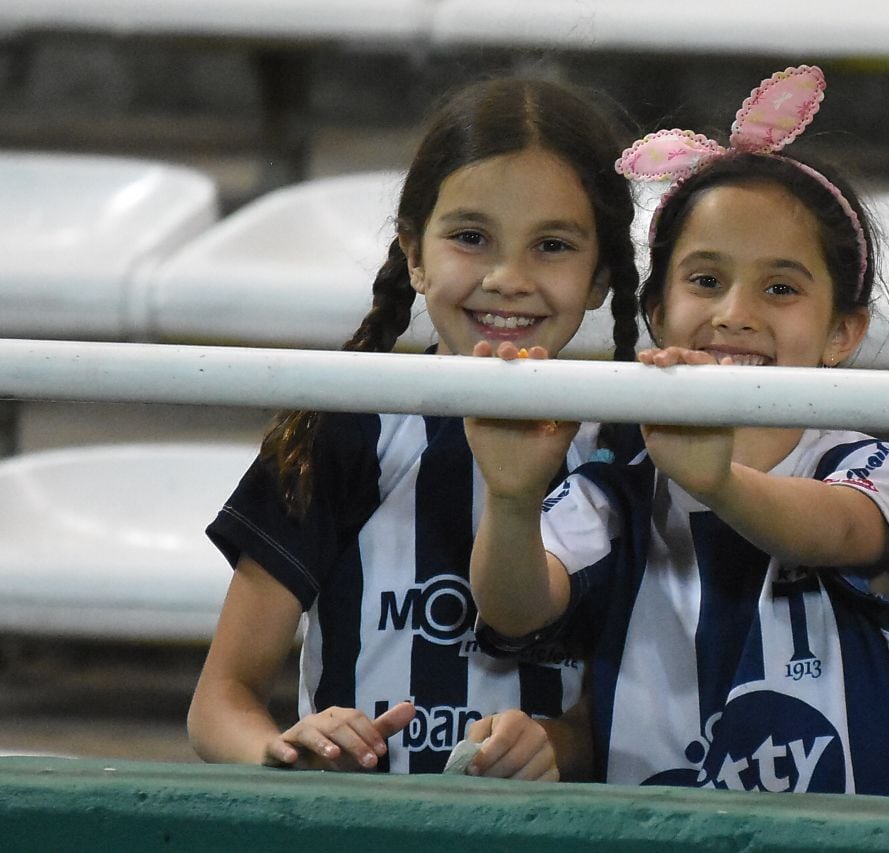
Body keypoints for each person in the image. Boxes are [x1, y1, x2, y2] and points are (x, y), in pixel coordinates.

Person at [465, 66, 889, 795]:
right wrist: (513, 497)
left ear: (843, 329)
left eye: (781, 288)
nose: (735, 313)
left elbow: (835, 532)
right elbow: (515, 605)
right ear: (655, 309)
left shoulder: (876, 468)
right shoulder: (618, 489)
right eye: (706, 280)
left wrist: (715, 480)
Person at [186, 75, 641, 779]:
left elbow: (646, 699)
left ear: (601, 275)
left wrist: (564, 742)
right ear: (415, 253)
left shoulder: (632, 449)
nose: (508, 278)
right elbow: (221, 698)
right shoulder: (343, 427)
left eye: (552, 245)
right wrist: (285, 751)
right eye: (471, 237)